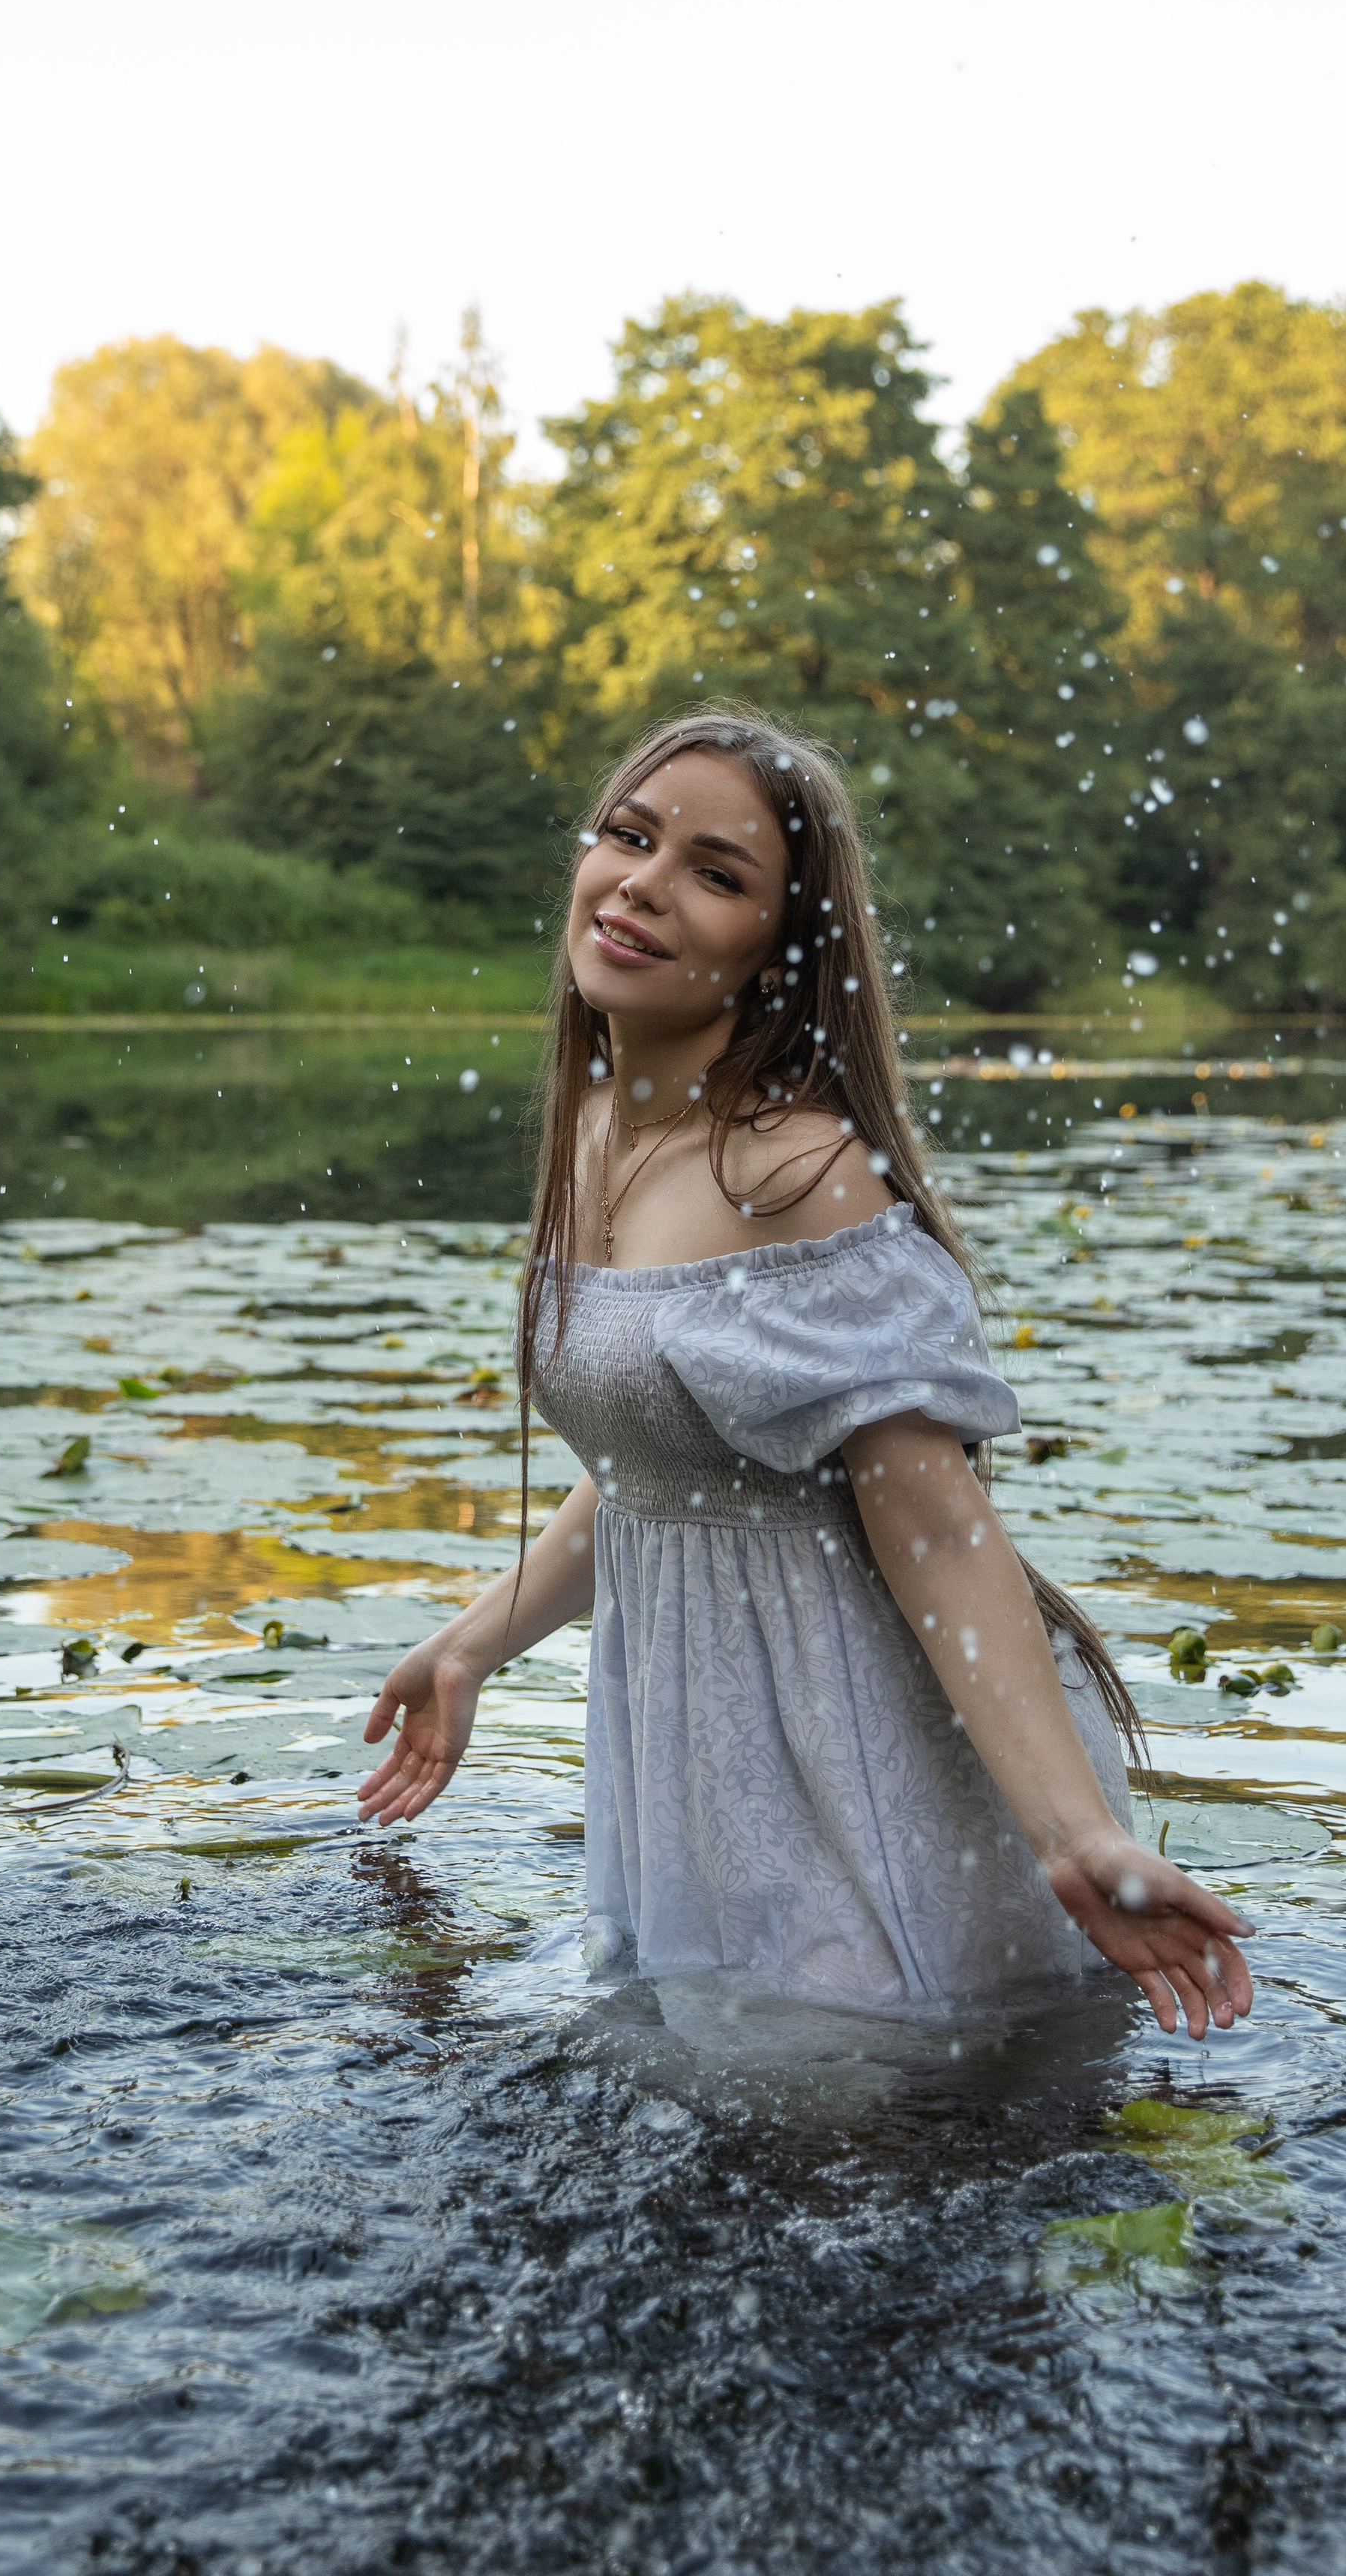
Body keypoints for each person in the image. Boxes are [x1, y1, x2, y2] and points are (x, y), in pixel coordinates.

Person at [358, 709, 1253, 2041]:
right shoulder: (602, 1129)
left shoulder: (794, 1169)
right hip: (703, 1763)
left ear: (779, 954)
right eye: (631, 836)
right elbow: (672, 1472)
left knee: (853, 2145)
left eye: (717, 875)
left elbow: (942, 1527)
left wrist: (1071, 1834)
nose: (646, 885)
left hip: (847, 1770)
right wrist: (475, 1642)